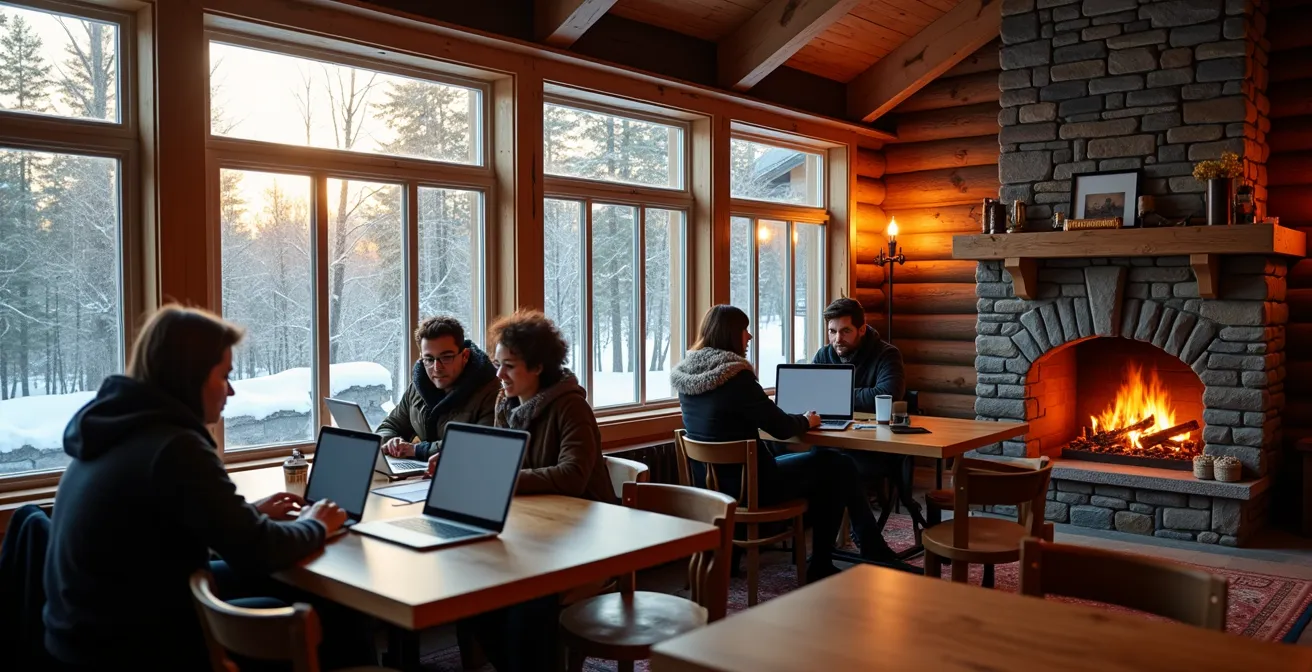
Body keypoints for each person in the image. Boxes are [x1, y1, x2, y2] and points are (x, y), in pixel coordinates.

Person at [42, 305, 363, 669]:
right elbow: (258, 550)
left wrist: (247, 515)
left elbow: (158, 526)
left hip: (82, 639)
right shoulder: (174, 446)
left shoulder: (114, 428)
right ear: (190, 375)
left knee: (280, 585)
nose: (231, 390)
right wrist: (317, 523)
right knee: (330, 611)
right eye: (224, 375)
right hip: (133, 650)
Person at [671, 305, 914, 580]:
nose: (749, 337)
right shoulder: (736, 377)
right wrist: (807, 421)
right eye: (744, 330)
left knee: (828, 465)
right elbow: (782, 427)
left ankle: (838, 554)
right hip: (754, 487)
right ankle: (840, 557)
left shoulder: (688, 380)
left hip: (713, 486)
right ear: (730, 334)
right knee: (838, 466)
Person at [449, 310, 612, 672]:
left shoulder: (572, 408)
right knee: (469, 588)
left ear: (537, 367)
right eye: (496, 364)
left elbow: (571, 477)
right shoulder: (505, 405)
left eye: (508, 366)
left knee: (526, 599)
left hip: (584, 535)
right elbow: (496, 462)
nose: (498, 375)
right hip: (532, 529)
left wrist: (501, 477)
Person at [379, 315, 499, 462]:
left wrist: (417, 450)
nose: (436, 368)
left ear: (465, 355)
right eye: (429, 359)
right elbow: (389, 426)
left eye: (446, 357)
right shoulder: (419, 385)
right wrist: (392, 442)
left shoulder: (491, 390)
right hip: (422, 474)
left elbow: (477, 444)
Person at [811, 297, 905, 410]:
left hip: (873, 425)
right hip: (828, 424)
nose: (838, 339)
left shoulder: (887, 355)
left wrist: (833, 395)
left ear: (862, 330)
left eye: (845, 331)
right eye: (832, 331)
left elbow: (887, 396)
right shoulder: (823, 355)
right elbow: (810, 391)